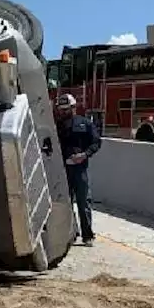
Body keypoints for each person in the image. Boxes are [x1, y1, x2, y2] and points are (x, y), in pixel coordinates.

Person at [55, 93, 100, 246]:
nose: (63, 113)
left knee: (83, 202)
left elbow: (95, 143)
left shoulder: (85, 124)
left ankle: (87, 235)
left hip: (80, 169)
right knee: (64, 204)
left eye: (66, 109)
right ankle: (70, 233)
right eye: (61, 110)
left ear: (74, 108)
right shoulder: (55, 125)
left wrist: (84, 155)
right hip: (62, 171)